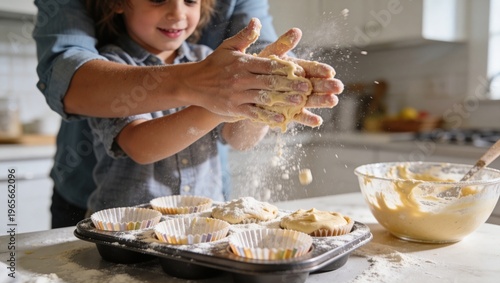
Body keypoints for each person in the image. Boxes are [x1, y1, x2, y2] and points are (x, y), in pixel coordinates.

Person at [33, 0, 343, 226]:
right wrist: (219, 102)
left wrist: (264, 101)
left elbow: (240, 139)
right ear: (118, 4)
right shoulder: (112, 69)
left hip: (201, 226)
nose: (178, 12)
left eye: (191, 0)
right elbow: (140, 146)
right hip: (130, 229)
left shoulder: (209, 58)